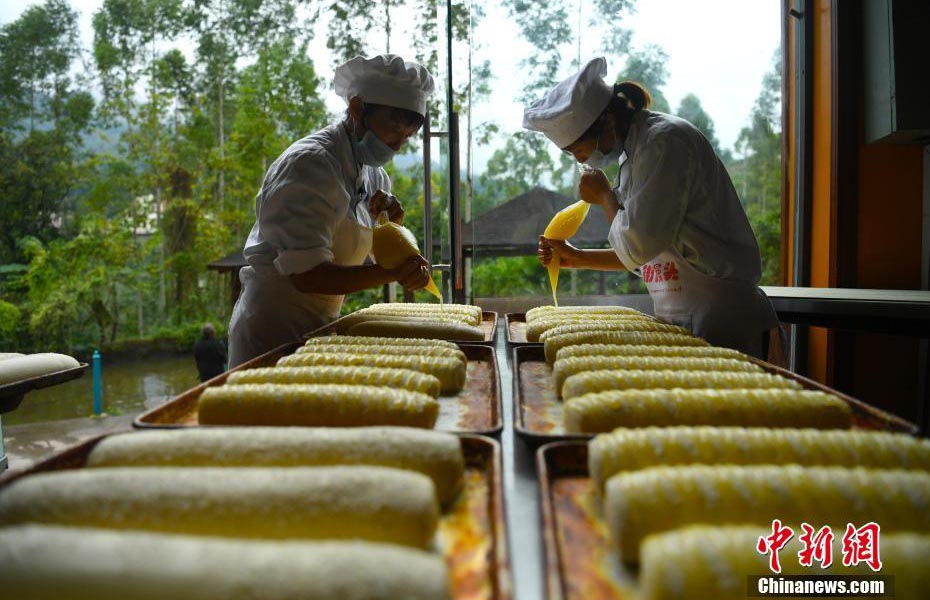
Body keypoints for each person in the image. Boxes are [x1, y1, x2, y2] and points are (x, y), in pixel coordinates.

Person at [524, 57, 781, 360]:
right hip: (679, 317)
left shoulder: (664, 142)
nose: (580, 159)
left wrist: (606, 196)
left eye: (575, 148)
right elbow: (656, 258)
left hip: (720, 320)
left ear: (606, 121)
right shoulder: (632, 157)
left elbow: (639, 244)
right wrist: (576, 257)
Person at [228, 54, 435, 367]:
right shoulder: (310, 165)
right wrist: (390, 273)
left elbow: (367, 257)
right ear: (357, 110)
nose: (396, 146)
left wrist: (391, 227)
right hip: (270, 330)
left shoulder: (373, 173)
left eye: (406, 137)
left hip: (320, 329)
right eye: (392, 131)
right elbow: (308, 276)